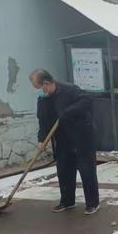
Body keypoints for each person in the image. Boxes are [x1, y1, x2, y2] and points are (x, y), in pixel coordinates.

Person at [29, 69, 99, 214]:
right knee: (64, 171)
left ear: (47, 83)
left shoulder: (69, 90)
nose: (39, 91)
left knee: (86, 170)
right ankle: (67, 202)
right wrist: (42, 139)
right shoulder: (43, 99)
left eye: (39, 88)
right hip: (62, 140)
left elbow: (87, 100)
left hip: (81, 136)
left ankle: (92, 203)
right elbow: (43, 121)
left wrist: (68, 111)